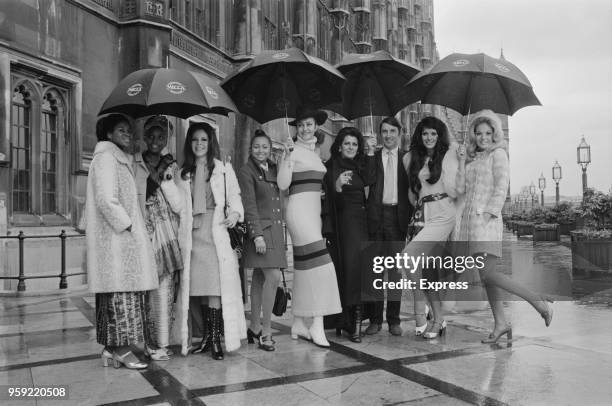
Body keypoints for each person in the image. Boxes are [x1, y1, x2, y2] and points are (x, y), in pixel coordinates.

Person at [455, 110, 553, 343]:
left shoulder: (498, 155)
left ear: (495, 134)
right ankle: (501, 323)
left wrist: (489, 214)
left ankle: (539, 302)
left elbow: (502, 187)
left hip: (486, 223)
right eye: (479, 133)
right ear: (473, 135)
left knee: (489, 274)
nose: (483, 137)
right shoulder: (472, 159)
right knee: (486, 276)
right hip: (470, 225)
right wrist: (461, 160)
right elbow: (460, 190)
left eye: (488, 133)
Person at [85, 113, 157, 369]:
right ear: (108, 134)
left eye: (128, 130)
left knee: (121, 297)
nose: (127, 134)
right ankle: (120, 351)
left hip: (121, 242)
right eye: (121, 130)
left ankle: (111, 349)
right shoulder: (106, 158)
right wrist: (127, 226)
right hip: (115, 243)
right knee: (119, 299)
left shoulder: (118, 159)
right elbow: (106, 199)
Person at [176, 122, 246, 360]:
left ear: (210, 142)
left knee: (216, 286)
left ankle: (216, 338)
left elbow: (235, 197)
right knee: (198, 289)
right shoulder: (182, 173)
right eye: (195, 140)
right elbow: (177, 206)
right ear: (189, 143)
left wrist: (235, 214)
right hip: (192, 235)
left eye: (203, 140)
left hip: (214, 231)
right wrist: (166, 182)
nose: (199, 144)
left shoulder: (223, 169)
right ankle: (205, 337)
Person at [277, 107, 342, 348]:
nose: (305, 129)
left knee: (305, 269)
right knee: (323, 266)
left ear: (316, 126)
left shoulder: (316, 153)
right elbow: (283, 184)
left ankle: (298, 322)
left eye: (309, 124)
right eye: (301, 125)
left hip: (314, 215)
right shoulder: (292, 151)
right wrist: (285, 157)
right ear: (297, 128)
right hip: (298, 213)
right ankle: (317, 322)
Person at [364, 117, 426, 337]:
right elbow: (367, 179)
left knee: (395, 273)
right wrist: (370, 153)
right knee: (375, 271)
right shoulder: (371, 156)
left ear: (400, 133)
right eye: (384, 131)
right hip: (375, 217)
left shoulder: (407, 158)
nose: (388, 135)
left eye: (392, 131)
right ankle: (374, 320)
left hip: (398, 217)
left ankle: (393, 320)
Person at [402, 116, 462, 339]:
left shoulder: (449, 154)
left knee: (408, 257)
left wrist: (463, 159)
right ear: (420, 135)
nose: (429, 138)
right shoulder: (412, 159)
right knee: (427, 272)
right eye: (425, 133)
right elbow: (412, 192)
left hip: (443, 212)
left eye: (434, 134)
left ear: (440, 136)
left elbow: (459, 186)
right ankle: (439, 320)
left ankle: (430, 310)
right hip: (422, 215)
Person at [133, 115, 187, 360]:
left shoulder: (172, 165)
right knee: (144, 289)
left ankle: (162, 343)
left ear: (167, 138)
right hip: (145, 230)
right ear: (145, 137)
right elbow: (137, 196)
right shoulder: (136, 163)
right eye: (151, 136)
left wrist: (166, 181)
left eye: (161, 136)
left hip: (167, 234)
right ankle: (145, 340)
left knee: (165, 288)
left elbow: (179, 205)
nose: (155, 141)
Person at [322, 127, 376, 343]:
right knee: (348, 270)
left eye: (354, 144)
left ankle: (357, 320)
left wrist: (371, 152)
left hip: (363, 224)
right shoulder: (331, 166)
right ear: (340, 145)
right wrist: (336, 186)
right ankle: (349, 321)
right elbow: (331, 202)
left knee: (361, 270)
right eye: (347, 144)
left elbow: (372, 180)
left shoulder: (362, 164)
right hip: (343, 224)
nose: (351, 147)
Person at [238, 129, 287, 352]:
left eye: (265, 147)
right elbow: (249, 206)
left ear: (270, 149)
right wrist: (256, 235)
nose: (261, 151)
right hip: (261, 234)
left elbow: (284, 188)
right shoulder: (246, 171)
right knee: (273, 276)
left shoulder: (275, 168)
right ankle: (266, 332)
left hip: (275, 232)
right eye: (257, 147)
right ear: (251, 149)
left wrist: (286, 159)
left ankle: (255, 327)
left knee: (259, 278)